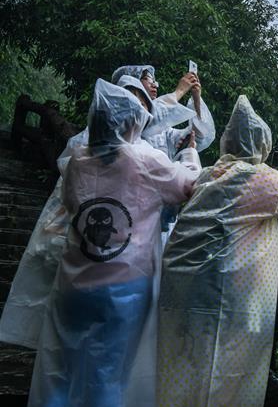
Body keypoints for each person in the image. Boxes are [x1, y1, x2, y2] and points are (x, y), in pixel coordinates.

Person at [20, 79, 201, 407]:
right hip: (126, 288)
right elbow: (188, 188)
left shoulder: (79, 160)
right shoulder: (146, 160)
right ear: (131, 121)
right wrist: (189, 155)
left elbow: (70, 205)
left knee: (61, 369)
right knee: (109, 374)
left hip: (74, 280)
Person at [155, 96, 278, 407]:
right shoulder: (258, 178)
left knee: (180, 380)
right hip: (225, 300)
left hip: (180, 292)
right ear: (260, 145)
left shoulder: (211, 173)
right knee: (226, 387)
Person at [0, 65, 214, 349]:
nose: (154, 87)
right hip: (122, 255)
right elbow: (184, 177)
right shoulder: (142, 150)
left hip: (104, 247)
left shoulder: (86, 153)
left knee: (71, 343)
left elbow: (198, 133)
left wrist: (194, 98)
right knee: (109, 350)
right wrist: (179, 96)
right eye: (148, 82)